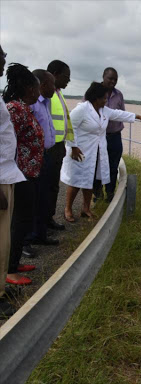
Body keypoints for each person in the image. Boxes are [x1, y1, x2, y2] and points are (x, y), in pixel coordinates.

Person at [61, 82, 141, 221]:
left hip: (95, 151)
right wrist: (73, 147)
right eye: (104, 98)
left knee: (89, 179)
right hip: (79, 150)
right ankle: (68, 209)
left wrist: (137, 116)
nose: (106, 101)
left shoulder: (103, 110)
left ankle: (86, 208)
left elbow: (118, 114)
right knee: (76, 180)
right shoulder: (82, 109)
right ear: (96, 98)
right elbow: (70, 128)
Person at [3, 63, 44, 286]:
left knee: (24, 219)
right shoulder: (15, 109)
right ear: (29, 88)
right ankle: (9, 270)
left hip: (29, 173)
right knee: (19, 221)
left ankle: (14, 262)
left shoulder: (23, 108)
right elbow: (8, 143)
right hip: (20, 174)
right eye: (37, 89)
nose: (38, 94)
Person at [0, 46, 26, 317]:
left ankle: (1, 287)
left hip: (6, 173)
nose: (4, 59)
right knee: (0, 240)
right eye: (1, 56)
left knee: (3, 240)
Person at [27, 69, 59, 246]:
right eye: (53, 84)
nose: (55, 88)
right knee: (33, 198)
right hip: (33, 157)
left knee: (44, 196)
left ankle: (40, 235)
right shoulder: (31, 104)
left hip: (47, 154)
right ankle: (27, 240)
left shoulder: (46, 102)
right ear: (44, 85)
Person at [46, 60, 72, 232]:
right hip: (47, 148)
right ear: (55, 74)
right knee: (44, 189)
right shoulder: (45, 95)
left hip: (58, 147)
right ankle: (36, 228)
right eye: (66, 77)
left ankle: (48, 219)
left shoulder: (58, 94)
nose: (68, 81)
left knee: (53, 187)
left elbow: (64, 121)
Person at [93, 67, 126, 203]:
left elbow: (122, 113)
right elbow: (86, 110)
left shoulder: (119, 95)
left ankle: (110, 193)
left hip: (115, 136)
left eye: (115, 79)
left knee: (113, 166)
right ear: (103, 77)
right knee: (96, 165)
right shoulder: (94, 91)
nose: (113, 81)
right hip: (98, 137)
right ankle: (97, 193)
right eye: (110, 78)